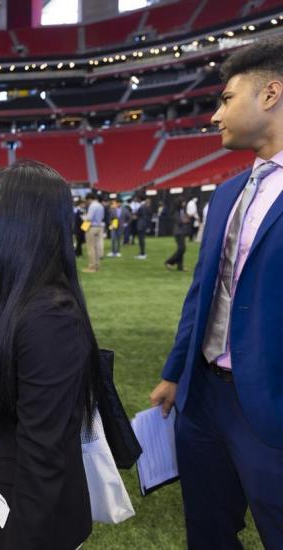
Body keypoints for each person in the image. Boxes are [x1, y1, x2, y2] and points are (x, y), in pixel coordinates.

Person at [150, 38, 283, 549]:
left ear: (270, 94)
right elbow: (204, 290)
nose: (214, 115)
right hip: (203, 399)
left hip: (270, 404)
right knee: (206, 533)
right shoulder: (227, 192)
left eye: (226, 99)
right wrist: (173, 373)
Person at [0, 160, 101, 549]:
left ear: (23, 222)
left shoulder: (50, 317)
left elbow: (44, 458)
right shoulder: (8, 298)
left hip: (31, 524)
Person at [165, 198, 190, 271]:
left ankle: (180, 266)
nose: (184, 204)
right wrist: (186, 220)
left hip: (182, 231)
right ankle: (169, 261)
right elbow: (180, 221)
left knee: (181, 249)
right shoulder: (176, 212)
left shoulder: (182, 211)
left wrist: (186, 219)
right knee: (182, 249)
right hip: (178, 232)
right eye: (183, 202)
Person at [83, 191, 105, 272]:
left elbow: (89, 217)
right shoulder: (100, 205)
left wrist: (83, 217)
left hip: (92, 227)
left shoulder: (92, 206)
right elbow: (102, 216)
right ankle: (97, 265)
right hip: (99, 227)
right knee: (96, 247)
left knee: (91, 248)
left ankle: (92, 267)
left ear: (89, 199)